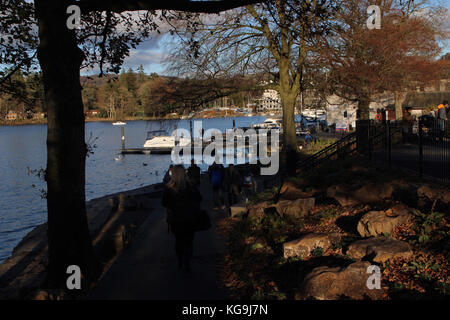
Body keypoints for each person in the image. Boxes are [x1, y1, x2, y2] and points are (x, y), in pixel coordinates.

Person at [162, 165, 202, 271]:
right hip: (190, 218)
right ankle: (187, 261)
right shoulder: (190, 186)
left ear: (173, 174)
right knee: (189, 241)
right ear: (185, 173)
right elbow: (199, 198)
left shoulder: (169, 188)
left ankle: (180, 260)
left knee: (179, 240)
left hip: (176, 219)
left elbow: (164, 203)